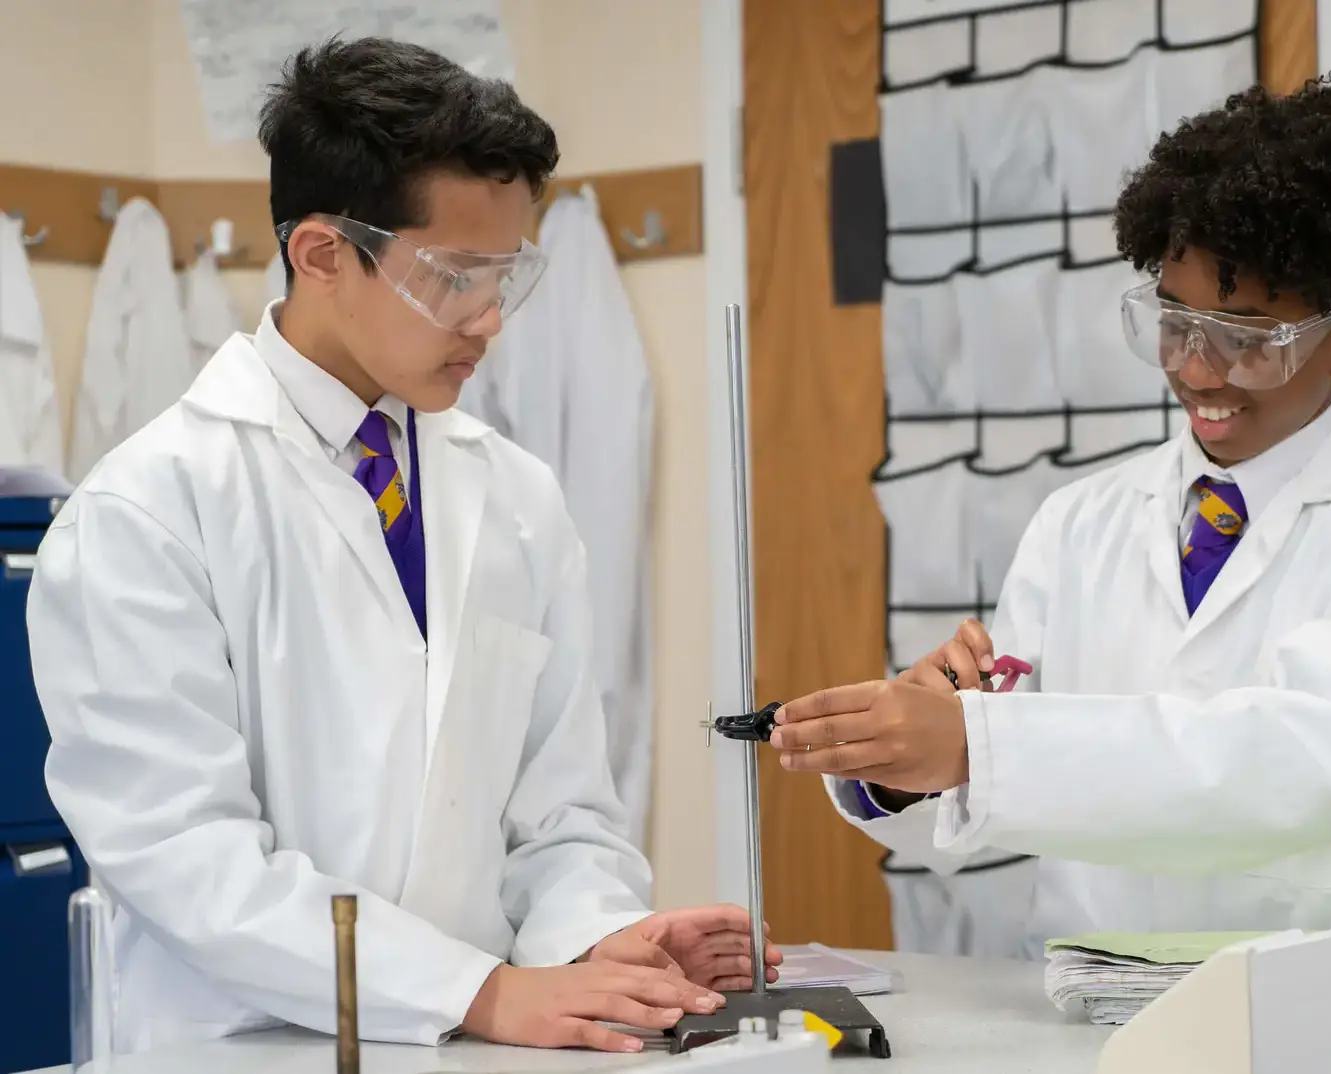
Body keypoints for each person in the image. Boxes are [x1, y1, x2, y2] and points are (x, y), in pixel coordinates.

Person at [27, 37, 777, 1056]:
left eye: (505, 277)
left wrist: (597, 942)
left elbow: (561, 813)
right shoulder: (147, 512)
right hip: (250, 1046)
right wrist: (478, 992)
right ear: (323, 253)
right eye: (454, 277)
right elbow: (185, 855)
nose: (486, 321)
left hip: (489, 1046)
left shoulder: (513, 493)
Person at [769, 79, 1331, 953]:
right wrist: (913, 756)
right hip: (1087, 1011)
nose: (1197, 369)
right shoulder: (1081, 522)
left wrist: (982, 742)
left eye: (1248, 338)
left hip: (1297, 1017)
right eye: (1175, 322)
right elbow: (988, 795)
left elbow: (1301, 767)